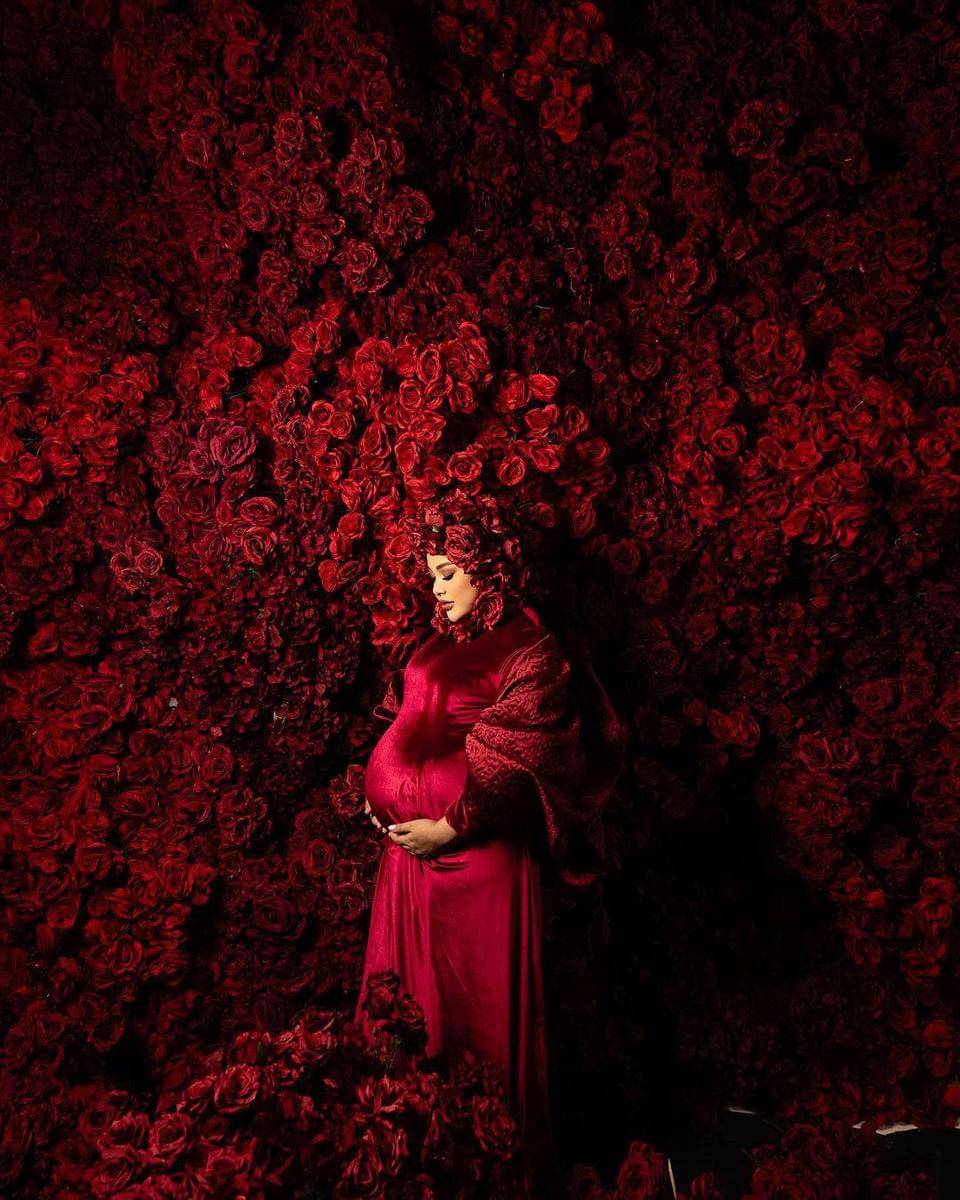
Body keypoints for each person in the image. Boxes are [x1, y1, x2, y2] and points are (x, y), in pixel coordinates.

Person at [353, 494, 626, 1192]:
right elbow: (408, 720)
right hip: (410, 857)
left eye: (448, 574)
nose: (437, 589)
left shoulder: (530, 646)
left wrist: (450, 824)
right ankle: (407, 1156)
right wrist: (382, 798)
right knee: (407, 1006)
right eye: (432, 576)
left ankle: (492, 1169)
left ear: (489, 567)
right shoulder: (440, 642)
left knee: (475, 1010)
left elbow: (530, 752)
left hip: (475, 859)